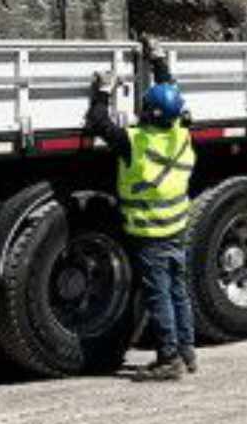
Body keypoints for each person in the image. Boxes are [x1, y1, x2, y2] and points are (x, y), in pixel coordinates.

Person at [84, 43, 197, 381]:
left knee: (158, 294)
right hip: (177, 229)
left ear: (148, 113)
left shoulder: (135, 143)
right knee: (178, 291)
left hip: (151, 235)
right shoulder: (182, 135)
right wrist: (159, 61)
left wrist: (103, 90)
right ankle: (187, 352)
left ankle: (168, 359)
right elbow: (173, 94)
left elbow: (97, 121)